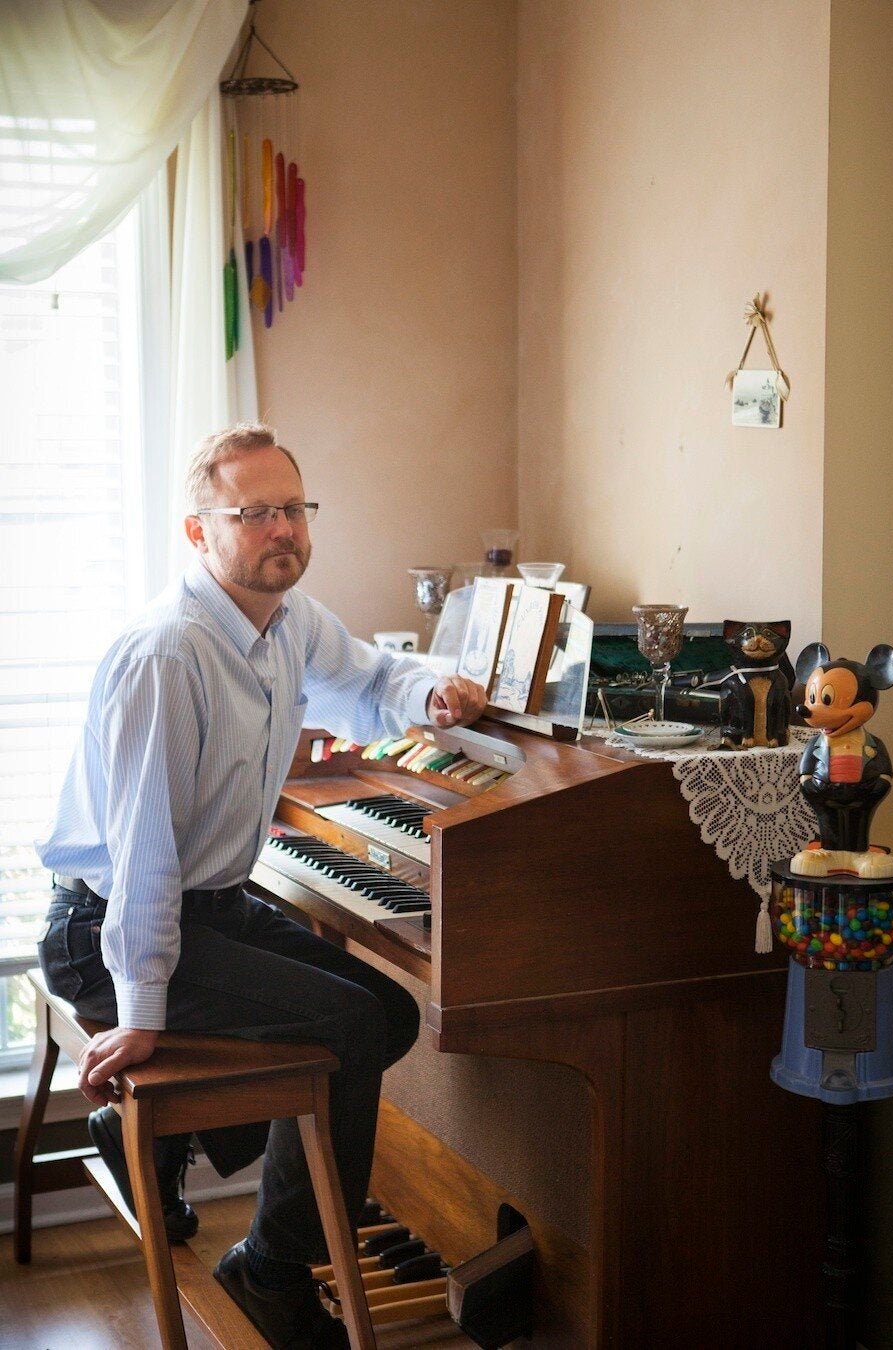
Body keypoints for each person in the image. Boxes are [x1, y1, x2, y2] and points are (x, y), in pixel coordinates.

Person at [36, 423, 487, 1349]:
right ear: (200, 533)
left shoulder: (284, 621)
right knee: (352, 1023)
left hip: (210, 908)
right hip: (111, 927)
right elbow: (146, 854)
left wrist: (432, 693)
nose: (282, 530)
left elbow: (370, 677)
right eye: (255, 514)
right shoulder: (169, 653)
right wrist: (145, 1010)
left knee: (389, 1014)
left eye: (293, 508)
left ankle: (191, 1176)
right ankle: (272, 1272)